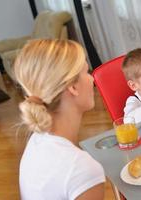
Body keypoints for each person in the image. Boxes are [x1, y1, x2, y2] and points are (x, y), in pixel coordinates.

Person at [14, 39, 105, 200]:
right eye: (86, 72)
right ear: (73, 87)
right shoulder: (82, 170)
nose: (92, 79)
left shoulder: (37, 140)